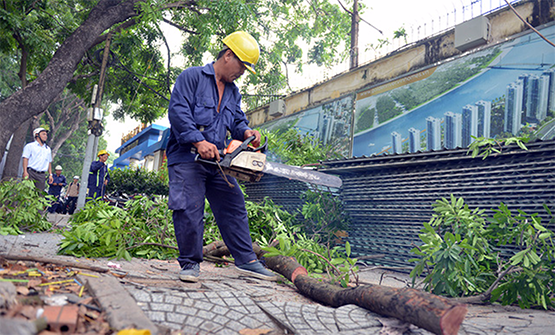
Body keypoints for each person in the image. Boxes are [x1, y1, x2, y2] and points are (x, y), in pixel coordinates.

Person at [166, 31, 278, 283]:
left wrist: (247, 131)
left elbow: (237, 120)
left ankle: (247, 261)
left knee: (234, 204)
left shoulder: (233, 92)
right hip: (187, 156)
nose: (242, 72)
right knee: (189, 208)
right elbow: (178, 112)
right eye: (242, 65)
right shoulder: (192, 77)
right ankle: (190, 264)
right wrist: (198, 140)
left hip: (216, 159)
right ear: (228, 55)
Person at [22, 127, 53, 192]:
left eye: (46, 135)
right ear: (37, 135)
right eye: (43, 134)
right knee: (27, 192)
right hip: (31, 172)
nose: (45, 136)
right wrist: (25, 172)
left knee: (39, 195)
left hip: (41, 175)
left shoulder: (48, 149)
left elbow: (49, 162)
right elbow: (25, 159)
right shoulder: (30, 146)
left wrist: (50, 174)